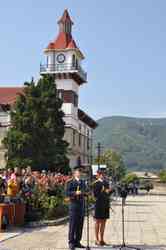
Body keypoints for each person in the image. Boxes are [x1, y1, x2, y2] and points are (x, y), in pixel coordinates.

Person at [66, 167, 86, 250]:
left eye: (81, 172)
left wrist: (86, 193)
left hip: (81, 205)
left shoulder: (83, 182)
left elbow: (85, 190)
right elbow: (67, 193)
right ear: (74, 173)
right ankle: (71, 242)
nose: (80, 173)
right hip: (74, 205)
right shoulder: (70, 182)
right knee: (73, 224)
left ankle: (77, 241)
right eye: (78, 172)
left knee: (80, 224)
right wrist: (75, 192)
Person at [93, 170, 112, 246]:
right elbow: (95, 194)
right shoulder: (96, 183)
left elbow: (108, 194)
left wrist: (110, 191)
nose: (102, 175)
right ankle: (96, 239)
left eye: (103, 174)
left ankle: (102, 239)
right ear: (97, 175)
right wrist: (104, 191)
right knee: (98, 221)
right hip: (99, 204)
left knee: (104, 222)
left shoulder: (106, 183)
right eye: (100, 174)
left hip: (105, 204)